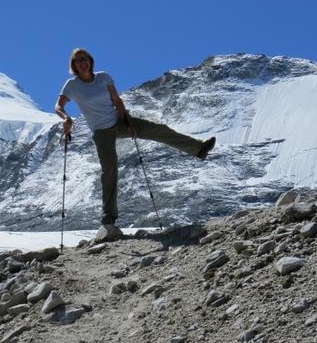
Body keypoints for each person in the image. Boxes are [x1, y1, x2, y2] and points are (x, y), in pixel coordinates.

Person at [55, 48, 215, 227]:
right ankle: (109, 216)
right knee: (109, 170)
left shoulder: (103, 77)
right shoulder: (72, 85)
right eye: (78, 60)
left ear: (91, 61)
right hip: (101, 131)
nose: (82, 62)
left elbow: (117, 100)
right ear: (74, 65)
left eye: (85, 59)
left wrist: (128, 122)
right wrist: (66, 118)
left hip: (118, 121)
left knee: (157, 129)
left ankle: (199, 149)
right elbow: (58, 106)